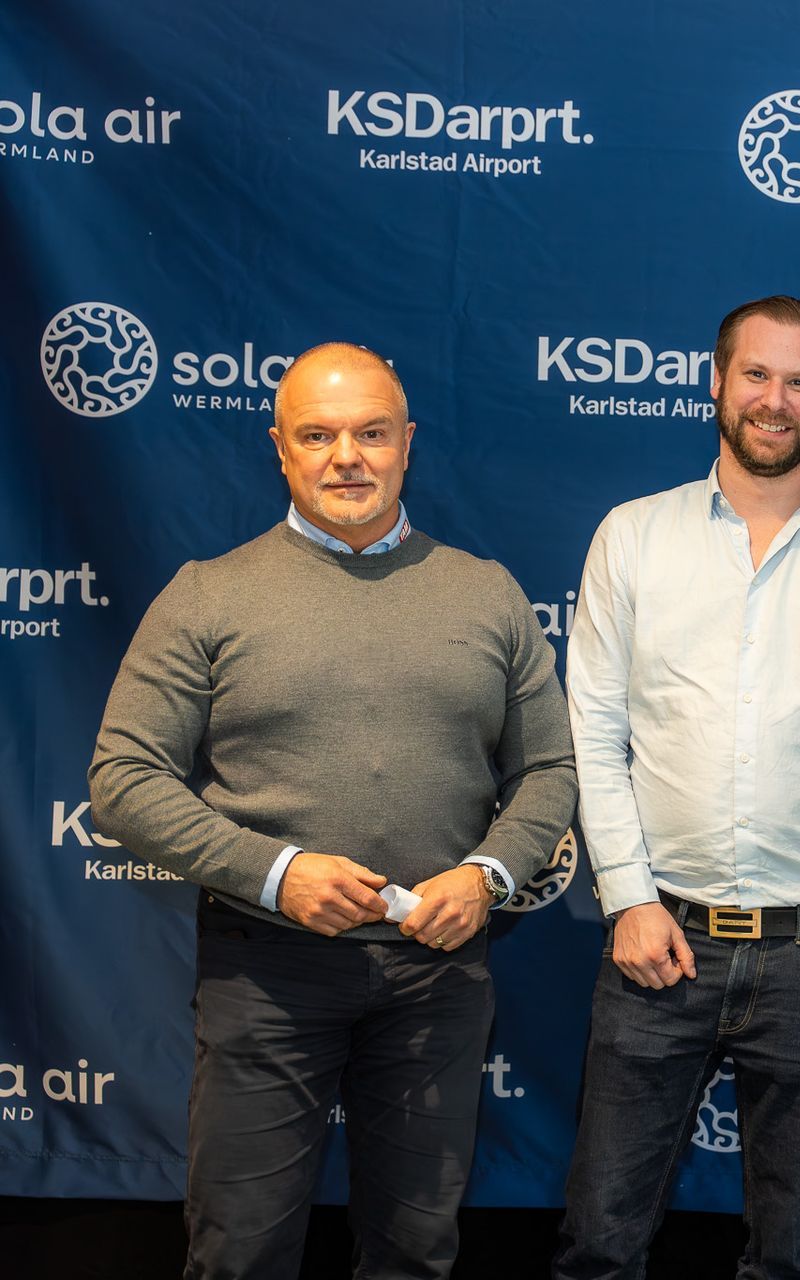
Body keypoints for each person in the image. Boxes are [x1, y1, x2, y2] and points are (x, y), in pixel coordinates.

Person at [88, 342, 578, 1279]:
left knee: (415, 1252)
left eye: (371, 433)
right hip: (268, 974)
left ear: (407, 445)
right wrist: (275, 874)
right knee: (241, 1251)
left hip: (438, 975)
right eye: (318, 436)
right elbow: (124, 776)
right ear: (281, 449)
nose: (346, 457)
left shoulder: (486, 591)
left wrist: (487, 876)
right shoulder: (208, 594)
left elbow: (549, 769)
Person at [553, 295, 800, 1280]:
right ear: (716, 382)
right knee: (599, 1245)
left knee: (790, 1260)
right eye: (757, 375)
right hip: (658, 941)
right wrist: (627, 899)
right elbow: (593, 734)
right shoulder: (633, 536)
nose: (776, 400)